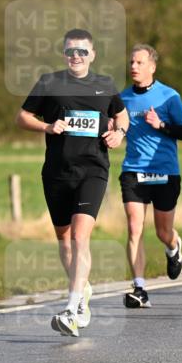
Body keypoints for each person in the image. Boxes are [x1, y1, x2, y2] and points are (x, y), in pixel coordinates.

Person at [16, 28, 129, 337]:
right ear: (64, 54)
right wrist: (47, 126)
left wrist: (119, 133)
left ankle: (71, 307)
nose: (75, 56)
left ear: (92, 55)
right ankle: (83, 289)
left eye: (81, 51)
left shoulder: (104, 84)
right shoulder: (49, 83)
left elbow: (122, 115)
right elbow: (22, 117)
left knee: (80, 237)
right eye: (70, 51)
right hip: (57, 172)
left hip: (93, 170)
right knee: (64, 240)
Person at [118, 44, 182, 308]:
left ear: (152, 67)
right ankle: (139, 289)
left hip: (165, 171)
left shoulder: (169, 96)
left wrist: (160, 124)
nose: (133, 67)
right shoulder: (122, 98)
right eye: (131, 62)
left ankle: (173, 247)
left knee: (163, 232)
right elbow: (115, 125)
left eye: (139, 63)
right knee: (134, 228)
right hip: (133, 170)